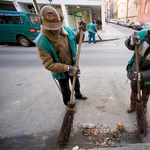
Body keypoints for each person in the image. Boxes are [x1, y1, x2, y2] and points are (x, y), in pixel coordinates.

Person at [33, 5, 87, 106]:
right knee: (65, 88)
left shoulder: (67, 30)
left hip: (73, 65)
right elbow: (48, 65)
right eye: (52, 28)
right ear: (44, 25)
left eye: (58, 26)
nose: (57, 29)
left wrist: (81, 31)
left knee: (76, 82)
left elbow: (77, 40)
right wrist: (67, 68)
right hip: (60, 70)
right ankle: (68, 102)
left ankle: (78, 94)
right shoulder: (42, 42)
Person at [125, 30, 150, 113]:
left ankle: (143, 106)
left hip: (147, 75)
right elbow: (128, 44)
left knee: (146, 93)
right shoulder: (142, 35)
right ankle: (133, 106)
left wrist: (142, 76)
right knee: (134, 90)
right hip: (136, 70)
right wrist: (130, 41)